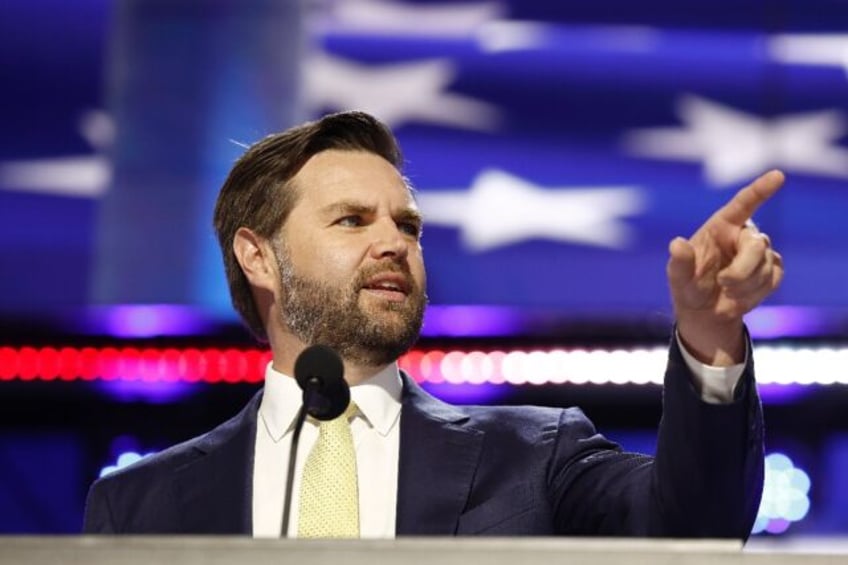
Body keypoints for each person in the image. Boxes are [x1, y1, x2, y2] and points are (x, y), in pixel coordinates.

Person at [83, 111, 783, 538]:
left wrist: (707, 335)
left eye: (407, 224)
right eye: (353, 219)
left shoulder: (535, 458)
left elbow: (696, 526)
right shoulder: (139, 504)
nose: (394, 241)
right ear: (257, 256)